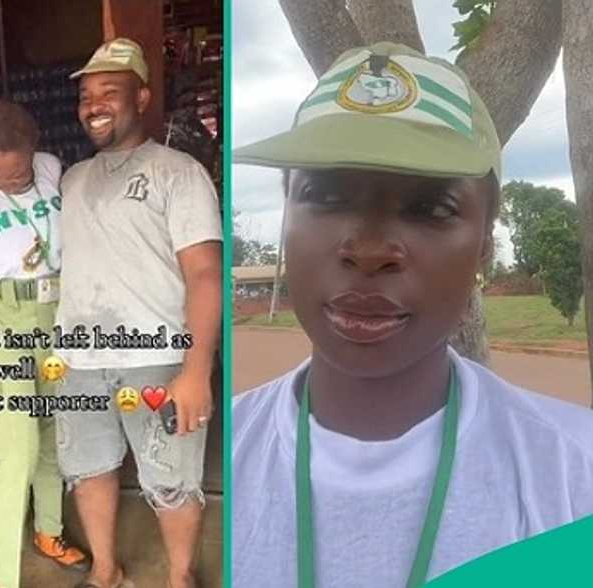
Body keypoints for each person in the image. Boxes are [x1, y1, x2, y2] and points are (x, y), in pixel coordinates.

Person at [231, 42, 593, 588]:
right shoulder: (226, 451)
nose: (369, 249)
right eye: (326, 196)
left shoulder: (574, 476)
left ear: (485, 246)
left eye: (430, 207)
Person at [53, 38, 223, 588]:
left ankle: (180, 577)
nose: (94, 105)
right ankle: (106, 572)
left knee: (171, 481)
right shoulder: (71, 180)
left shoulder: (179, 173)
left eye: (109, 92)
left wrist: (196, 372)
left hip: (156, 358)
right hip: (79, 360)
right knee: (87, 471)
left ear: (142, 98)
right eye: (86, 96)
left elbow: (205, 274)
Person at [0, 100, 90, 588]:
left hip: (54, 316)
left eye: (17, 174)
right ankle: (4, 577)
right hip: (2, 323)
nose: (6, 184)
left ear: (34, 149)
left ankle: (49, 532)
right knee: (16, 454)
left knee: (52, 433)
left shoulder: (51, 168)